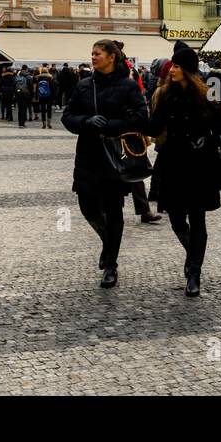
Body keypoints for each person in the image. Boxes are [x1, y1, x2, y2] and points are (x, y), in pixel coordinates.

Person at [62, 39, 151, 288]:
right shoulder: (83, 85)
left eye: (97, 53)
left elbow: (140, 117)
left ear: (112, 56)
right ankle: (108, 242)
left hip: (115, 156)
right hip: (88, 155)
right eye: (91, 53)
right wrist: (86, 122)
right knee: (87, 206)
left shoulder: (128, 86)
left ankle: (111, 264)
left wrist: (111, 126)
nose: (93, 57)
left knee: (114, 210)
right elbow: (68, 116)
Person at [147, 41, 221, 298]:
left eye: (178, 66)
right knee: (174, 219)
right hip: (173, 163)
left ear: (189, 69)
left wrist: (211, 139)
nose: (172, 69)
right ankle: (192, 252)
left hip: (200, 165)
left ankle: (194, 271)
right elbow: (153, 128)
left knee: (197, 218)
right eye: (173, 65)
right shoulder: (164, 95)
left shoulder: (207, 96)